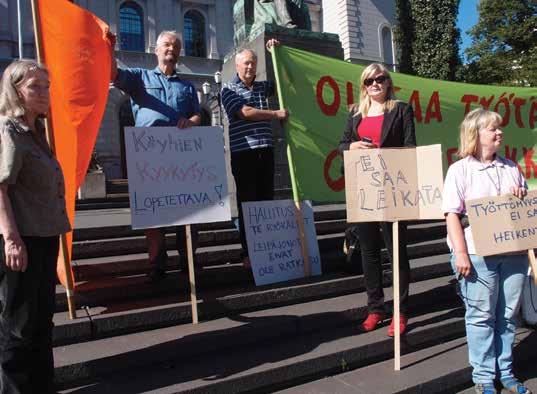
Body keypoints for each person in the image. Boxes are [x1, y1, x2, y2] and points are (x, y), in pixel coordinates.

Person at [443, 108, 531, 394]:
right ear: (475, 134)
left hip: (513, 253)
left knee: (506, 316)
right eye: (493, 129)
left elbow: (524, 210)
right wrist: (461, 253)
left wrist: (521, 196)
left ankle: (505, 372)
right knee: (481, 316)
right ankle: (483, 377)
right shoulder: (459, 170)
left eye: (500, 128)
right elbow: (452, 215)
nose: (499, 133)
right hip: (477, 254)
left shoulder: (511, 168)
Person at [0, 59, 71, 393]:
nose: (44, 93)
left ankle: (43, 386)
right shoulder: (8, 131)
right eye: (35, 87)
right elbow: (0, 187)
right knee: (19, 326)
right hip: (23, 240)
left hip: (45, 236)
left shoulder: (36, 132)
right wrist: (11, 238)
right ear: (16, 91)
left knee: (42, 320)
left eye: (46, 86)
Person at [109, 30, 202, 282]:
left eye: (175, 46)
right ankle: (157, 264)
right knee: (154, 213)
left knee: (189, 210)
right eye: (166, 45)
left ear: (179, 53)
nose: (170, 49)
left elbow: (197, 114)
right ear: (156, 49)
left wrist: (191, 122)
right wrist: (110, 47)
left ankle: (188, 261)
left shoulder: (187, 86)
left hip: (181, 157)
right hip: (149, 157)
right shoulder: (140, 77)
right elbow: (112, 75)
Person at [338, 63, 416, 336]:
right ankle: (375, 308)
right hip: (363, 188)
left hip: (392, 188)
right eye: (369, 80)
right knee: (369, 252)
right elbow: (342, 145)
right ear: (364, 85)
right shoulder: (355, 112)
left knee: (396, 252)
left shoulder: (401, 109)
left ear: (388, 82)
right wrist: (352, 146)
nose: (375, 84)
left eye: (380, 79)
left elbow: (410, 147)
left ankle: (400, 312)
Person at [221, 40, 288, 267]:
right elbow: (245, 113)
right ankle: (248, 252)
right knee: (248, 204)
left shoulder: (261, 87)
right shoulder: (228, 89)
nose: (250, 67)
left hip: (265, 152)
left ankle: (266, 247)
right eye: (246, 63)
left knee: (266, 201)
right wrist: (275, 114)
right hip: (244, 154)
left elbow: (282, 77)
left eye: (254, 63)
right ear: (237, 66)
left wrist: (275, 50)